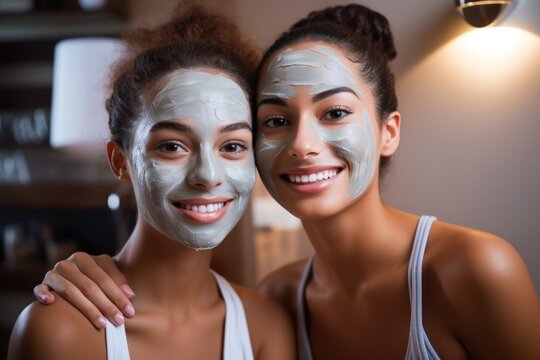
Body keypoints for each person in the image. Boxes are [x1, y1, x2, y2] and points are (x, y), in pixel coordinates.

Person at [31, 3, 540, 359]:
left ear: (389, 132)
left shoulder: (475, 270)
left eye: (335, 112)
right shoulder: (281, 301)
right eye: (274, 120)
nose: (301, 144)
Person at [7, 4, 294, 360]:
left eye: (232, 146)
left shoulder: (266, 325)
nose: (207, 175)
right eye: (173, 146)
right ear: (120, 161)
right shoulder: (59, 331)